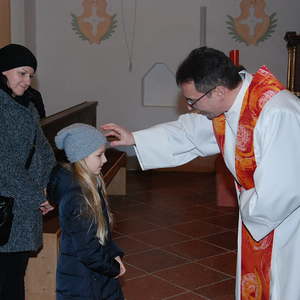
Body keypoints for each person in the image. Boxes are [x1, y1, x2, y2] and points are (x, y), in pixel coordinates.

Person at [101, 47, 300, 300]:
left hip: (287, 224)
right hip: (263, 213)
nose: (189, 107)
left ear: (217, 91)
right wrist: (134, 138)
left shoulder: (278, 112)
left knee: (284, 285)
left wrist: (247, 203)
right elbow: (189, 132)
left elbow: (283, 189)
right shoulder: (233, 102)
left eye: (192, 100)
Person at [0, 43, 56, 300]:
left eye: (30, 75)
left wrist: (43, 185)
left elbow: (44, 150)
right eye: (21, 73)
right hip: (6, 206)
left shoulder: (27, 106)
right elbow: (4, 165)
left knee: (14, 274)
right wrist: (37, 196)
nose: (27, 80)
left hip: (23, 205)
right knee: (7, 280)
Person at [47, 123, 125, 300]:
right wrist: (112, 268)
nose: (105, 160)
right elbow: (88, 251)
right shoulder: (78, 199)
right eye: (99, 155)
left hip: (94, 276)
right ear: (80, 158)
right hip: (84, 283)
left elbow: (101, 237)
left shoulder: (88, 184)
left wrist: (114, 254)